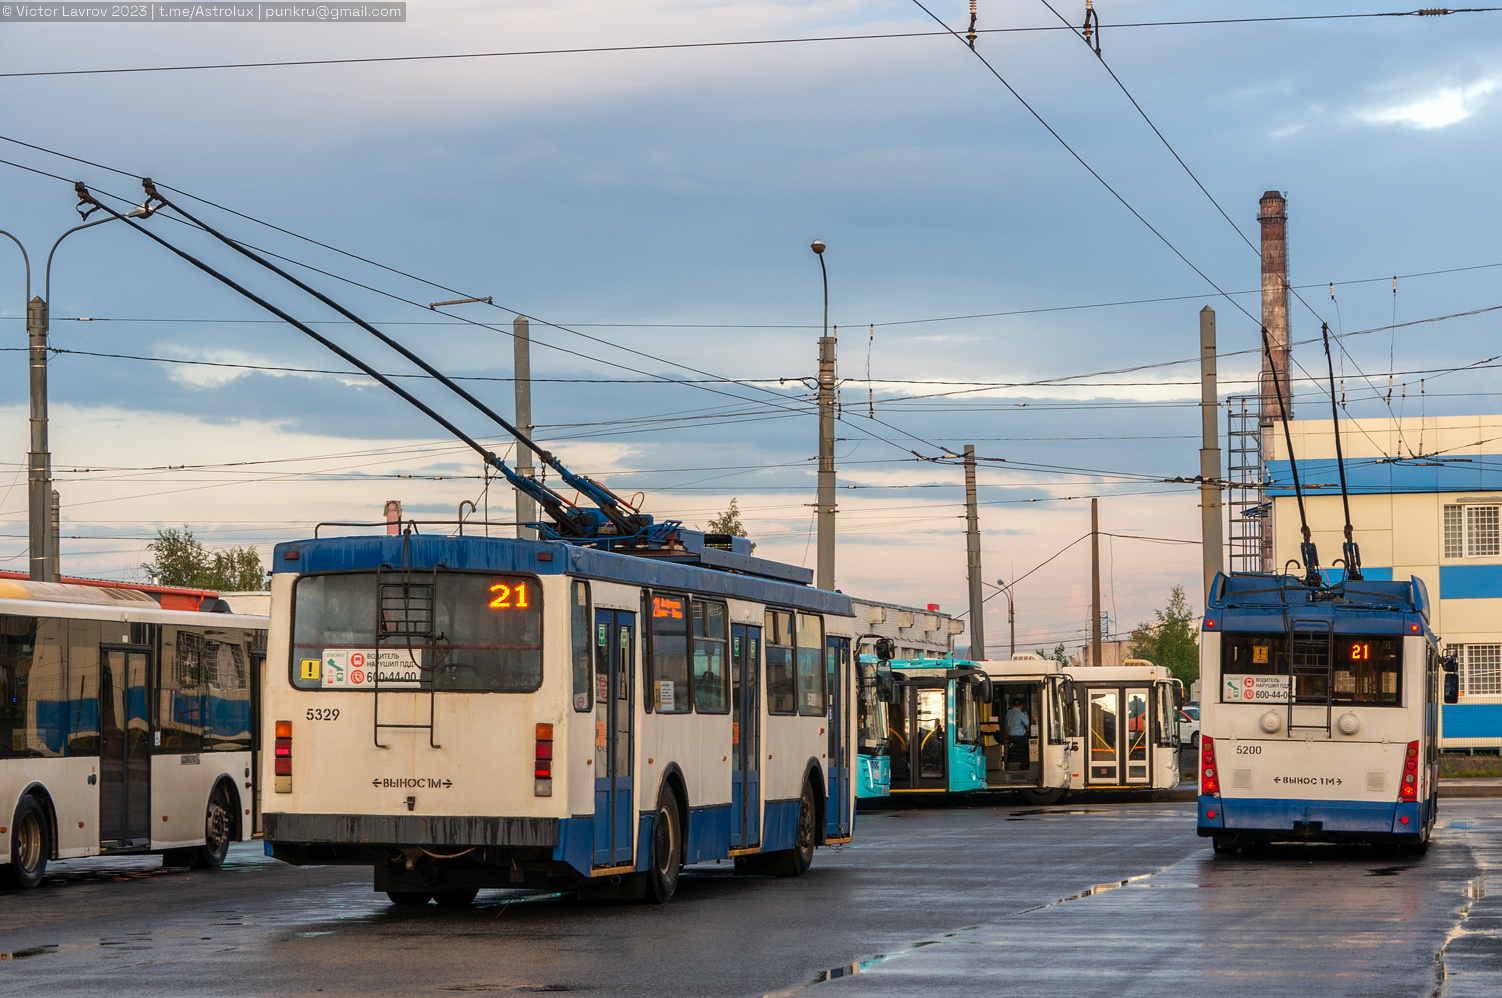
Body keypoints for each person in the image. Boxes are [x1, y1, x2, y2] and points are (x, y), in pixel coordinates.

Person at [1005, 696, 1031, 770]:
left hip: (1010, 736)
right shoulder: (1020, 714)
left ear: (1012, 705)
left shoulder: (1008, 713)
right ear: (1021, 705)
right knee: (1032, 744)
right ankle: (1024, 765)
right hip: (1018, 738)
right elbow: (1028, 725)